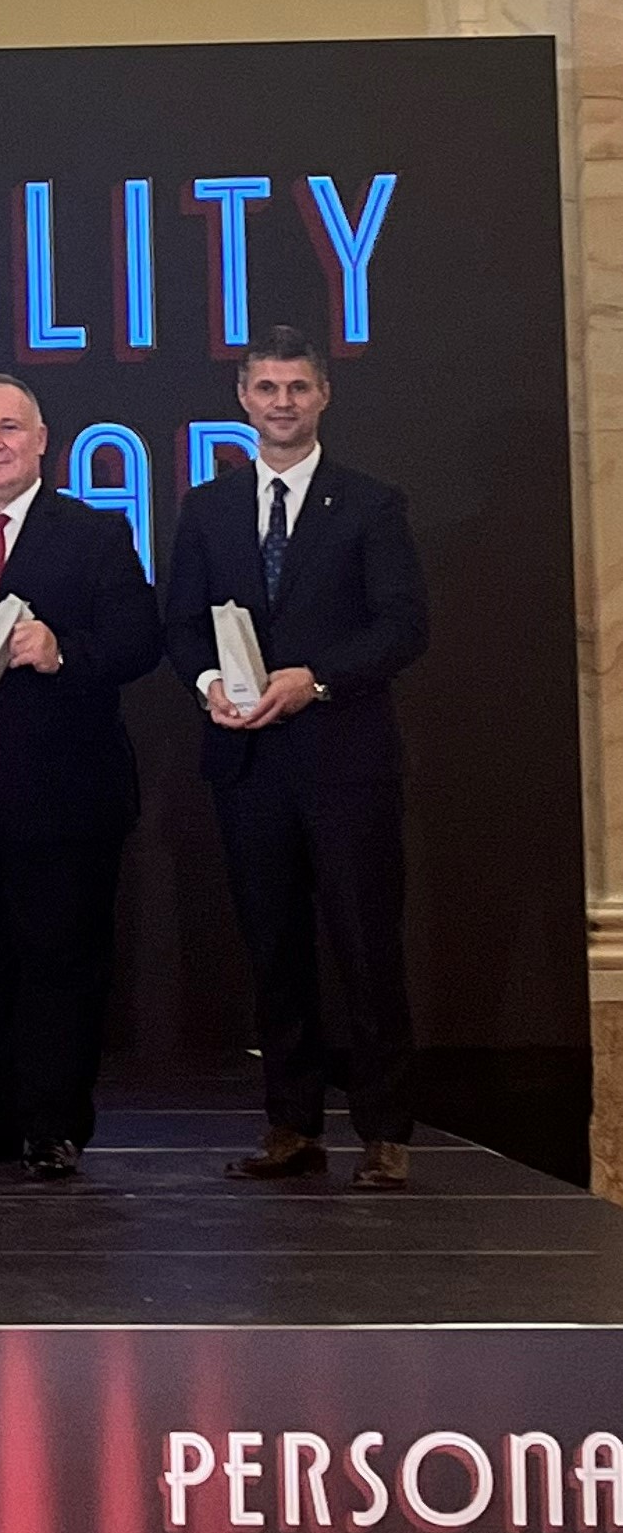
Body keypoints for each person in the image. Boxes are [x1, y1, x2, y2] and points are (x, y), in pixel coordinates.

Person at [164, 326, 431, 1190]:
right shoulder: (208, 508)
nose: (282, 402)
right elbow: (181, 624)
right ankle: (291, 1126)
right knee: (274, 952)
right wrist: (209, 681)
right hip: (248, 766)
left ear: (323, 396)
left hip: (346, 764)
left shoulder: (370, 504)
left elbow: (403, 626)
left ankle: (386, 1134)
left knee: (366, 950)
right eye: (267, 388)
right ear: (242, 398)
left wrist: (315, 680)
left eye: (298, 388)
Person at [0, 375, 159, 1179]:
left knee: (61, 960)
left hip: (65, 795)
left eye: (9, 428)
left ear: (42, 441)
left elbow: (140, 641)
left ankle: (53, 1125)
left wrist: (62, 650)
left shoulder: (95, 532)